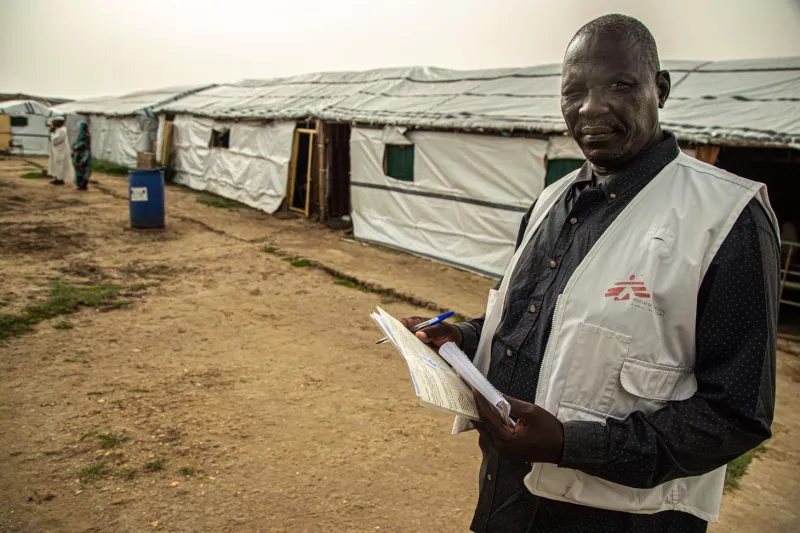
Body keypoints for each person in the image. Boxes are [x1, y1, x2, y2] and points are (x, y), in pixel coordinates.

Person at [401, 14, 779, 533]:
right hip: (508, 493)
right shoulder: (551, 201)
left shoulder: (726, 218)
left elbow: (737, 413)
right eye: (572, 91)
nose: (591, 107)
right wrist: (463, 336)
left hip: (623, 517)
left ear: (660, 89)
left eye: (619, 85)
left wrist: (568, 444)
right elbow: (543, 322)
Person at [48, 118, 73, 186]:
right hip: (57, 150)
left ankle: (60, 179)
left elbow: (56, 140)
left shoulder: (62, 130)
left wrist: (52, 134)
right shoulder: (58, 130)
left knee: (60, 165)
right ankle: (57, 178)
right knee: (56, 164)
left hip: (61, 151)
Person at [72, 122, 92, 190]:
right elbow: (76, 143)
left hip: (84, 155)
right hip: (79, 155)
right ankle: (80, 185)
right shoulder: (81, 135)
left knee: (83, 170)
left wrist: (76, 147)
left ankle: (83, 185)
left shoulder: (86, 135)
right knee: (79, 170)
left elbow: (83, 144)